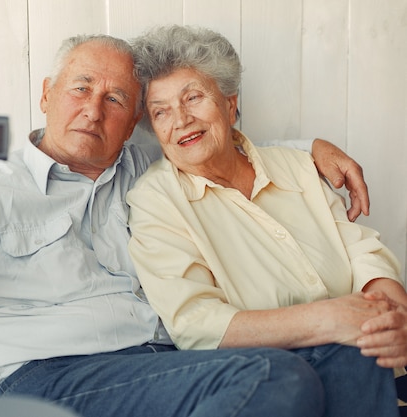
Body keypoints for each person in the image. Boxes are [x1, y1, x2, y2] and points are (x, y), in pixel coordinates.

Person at [0, 33, 369, 417]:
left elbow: (216, 149)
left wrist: (309, 151)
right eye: (80, 88)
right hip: (48, 379)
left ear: (135, 119)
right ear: (47, 94)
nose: (93, 110)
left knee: (356, 349)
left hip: (167, 367)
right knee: (269, 373)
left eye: (115, 99)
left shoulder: (151, 172)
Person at [127, 25, 405, 417]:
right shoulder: (156, 201)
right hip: (272, 378)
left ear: (229, 104)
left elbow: (363, 252)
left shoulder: (297, 167)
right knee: (354, 350)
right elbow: (195, 323)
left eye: (194, 97)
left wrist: (395, 319)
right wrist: (329, 320)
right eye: (161, 112)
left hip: (372, 355)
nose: (181, 119)